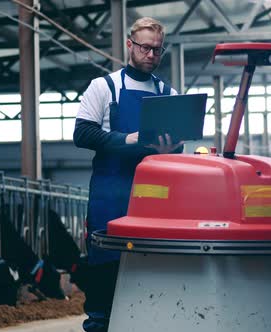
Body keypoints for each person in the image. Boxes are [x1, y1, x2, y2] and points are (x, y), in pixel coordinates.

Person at [73, 17, 182, 332]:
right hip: (110, 193)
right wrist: (128, 139)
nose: (151, 55)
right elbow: (82, 134)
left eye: (157, 50)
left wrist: (170, 149)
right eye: (145, 47)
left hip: (153, 198)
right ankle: (100, 323)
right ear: (130, 45)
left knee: (151, 268)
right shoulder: (104, 87)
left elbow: (178, 143)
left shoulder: (167, 91)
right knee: (105, 268)